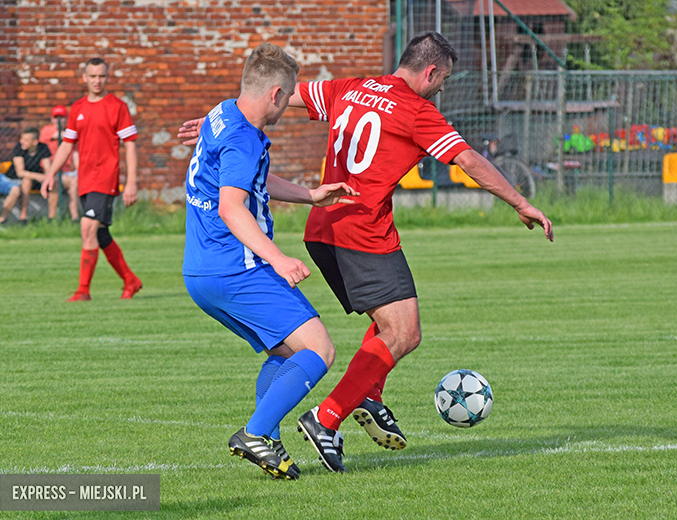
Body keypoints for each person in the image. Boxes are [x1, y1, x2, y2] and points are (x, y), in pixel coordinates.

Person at [180, 32, 553, 473]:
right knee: (399, 333)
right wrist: (520, 202)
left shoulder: (349, 88)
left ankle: (358, 397)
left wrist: (224, 122)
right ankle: (325, 417)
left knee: (344, 335)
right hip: (359, 231)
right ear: (430, 72)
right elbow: (469, 160)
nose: (442, 89)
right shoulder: (417, 111)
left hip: (322, 226)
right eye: (444, 79)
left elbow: (282, 93)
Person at [182, 43, 357, 480]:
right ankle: (256, 433)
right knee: (319, 349)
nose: (289, 104)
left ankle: (270, 441)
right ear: (276, 94)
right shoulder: (242, 138)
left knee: (286, 350)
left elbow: (250, 179)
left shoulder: (224, 113)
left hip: (202, 271)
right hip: (236, 267)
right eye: (289, 96)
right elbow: (232, 207)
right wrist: (277, 258)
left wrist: (310, 195)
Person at [41, 57, 143, 302]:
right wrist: (50, 174)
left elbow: (130, 145)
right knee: (100, 234)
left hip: (105, 178)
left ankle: (83, 290)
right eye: (93, 76)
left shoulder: (117, 106)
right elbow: (67, 144)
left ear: (107, 77)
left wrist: (131, 182)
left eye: (102, 76)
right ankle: (130, 280)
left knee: (87, 227)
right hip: (85, 180)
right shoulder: (77, 108)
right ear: (84, 78)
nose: (98, 81)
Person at [5, 127, 54, 223]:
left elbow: (48, 168)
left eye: (26, 140)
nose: (22, 141)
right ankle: (23, 217)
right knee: (27, 181)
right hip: (17, 179)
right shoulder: (19, 147)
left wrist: (47, 178)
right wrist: (40, 177)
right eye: (21, 138)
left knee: (53, 182)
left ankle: (52, 217)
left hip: (35, 178)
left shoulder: (43, 147)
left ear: (35, 142)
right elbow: (20, 173)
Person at [40, 105, 80, 222]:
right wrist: (73, 135)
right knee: (54, 183)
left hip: (68, 171)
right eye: (56, 117)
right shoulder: (47, 130)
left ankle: (75, 217)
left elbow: (75, 153)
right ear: (51, 119)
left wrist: (79, 171)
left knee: (75, 183)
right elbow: (59, 136)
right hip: (51, 170)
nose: (58, 120)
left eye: (61, 118)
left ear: (66, 119)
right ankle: (52, 218)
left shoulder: (70, 132)